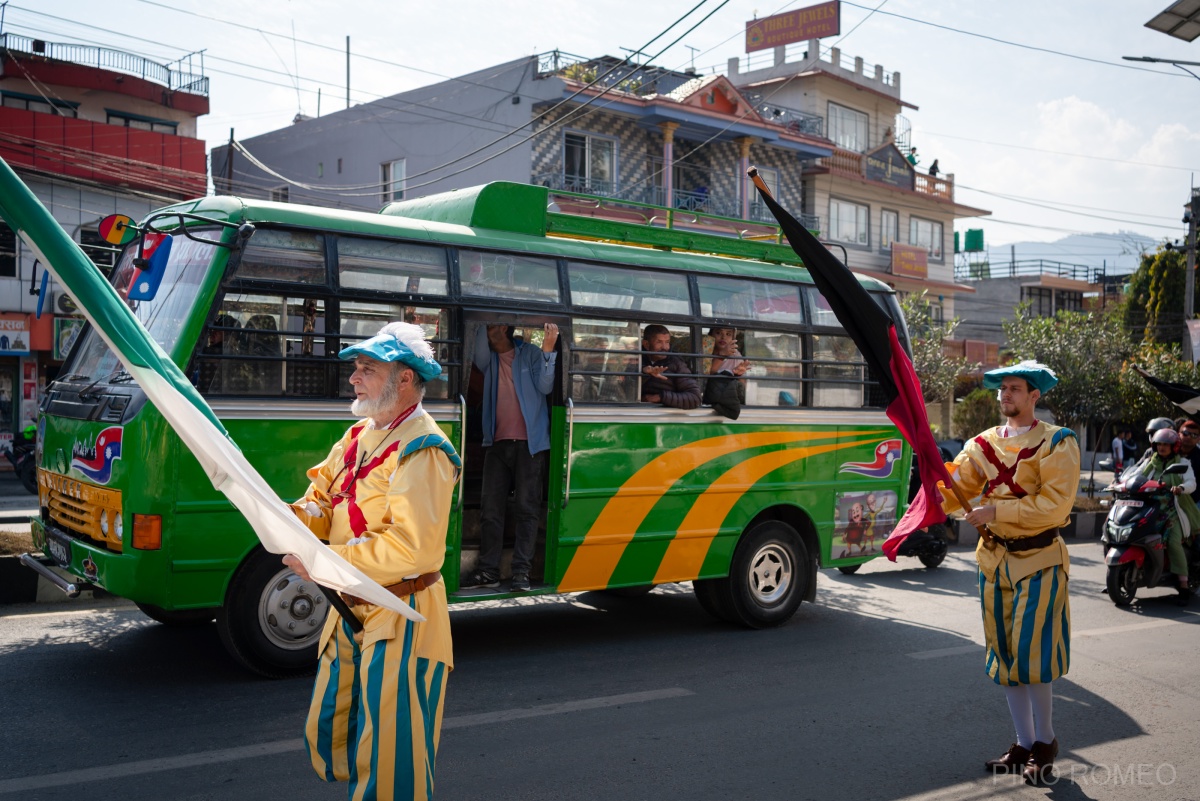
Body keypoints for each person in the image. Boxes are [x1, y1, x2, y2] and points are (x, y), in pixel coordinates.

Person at [282, 321, 460, 801]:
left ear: (404, 380)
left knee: (392, 758)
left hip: (402, 611)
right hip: (350, 604)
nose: (354, 378)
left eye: (367, 369)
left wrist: (321, 562)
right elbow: (323, 496)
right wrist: (293, 518)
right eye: (356, 368)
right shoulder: (359, 434)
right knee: (334, 735)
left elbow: (411, 550)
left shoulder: (425, 449)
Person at [937, 361, 1078, 786]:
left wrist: (995, 509)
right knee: (1005, 656)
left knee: (1033, 655)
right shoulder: (981, 444)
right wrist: (932, 469)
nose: (1005, 396)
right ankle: (1023, 741)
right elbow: (954, 487)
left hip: (1038, 560)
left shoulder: (1058, 443)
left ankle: (1046, 742)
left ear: (1034, 396)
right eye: (1002, 390)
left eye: (1014, 389)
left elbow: (1055, 506)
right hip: (993, 560)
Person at [461, 322, 559, 592]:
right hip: (497, 444)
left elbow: (546, 386)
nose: (487, 332)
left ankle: (521, 573)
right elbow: (477, 338)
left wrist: (548, 349)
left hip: (531, 446)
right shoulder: (490, 359)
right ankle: (488, 570)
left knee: (527, 511)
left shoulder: (530, 354)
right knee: (490, 510)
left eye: (490, 326)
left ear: (502, 327)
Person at [1139, 428, 1197, 606]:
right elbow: (1136, 476)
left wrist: (1181, 488)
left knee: (1172, 541)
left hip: (1173, 511)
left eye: (1166, 444)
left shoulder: (1183, 462)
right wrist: (1120, 483)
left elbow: (1191, 483)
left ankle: (1184, 585)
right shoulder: (1151, 461)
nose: (1162, 447)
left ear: (1174, 446)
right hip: (1150, 510)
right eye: (1160, 444)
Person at [640, 324, 701, 409]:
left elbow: (695, 398)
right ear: (646, 344)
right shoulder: (638, 357)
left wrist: (660, 397)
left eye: (667, 342)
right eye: (659, 342)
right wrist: (643, 370)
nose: (665, 347)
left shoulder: (676, 363)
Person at [704, 326, 749, 418]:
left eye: (728, 334)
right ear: (710, 335)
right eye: (718, 333)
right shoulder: (704, 351)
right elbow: (706, 376)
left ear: (733, 338)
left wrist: (738, 375)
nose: (723, 337)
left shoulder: (735, 355)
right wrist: (722, 355)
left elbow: (742, 389)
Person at [1177, 420, 1200, 503]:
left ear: (1198, 439)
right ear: (1178, 434)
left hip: (1193, 501)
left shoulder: (1198, 457)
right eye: (1186, 433)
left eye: (1194, 435)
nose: (1189, 437)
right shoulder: (1167, 450)